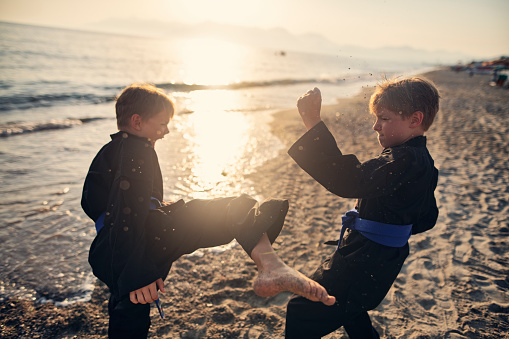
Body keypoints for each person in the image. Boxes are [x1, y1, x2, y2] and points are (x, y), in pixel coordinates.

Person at [81, 83, 335, 339]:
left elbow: (95, 204)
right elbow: (127, 211)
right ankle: (270, 264)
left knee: (128, 308)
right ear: (137, 122)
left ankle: (266, 256)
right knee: (232, 209)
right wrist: (137, 272)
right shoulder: (138, 150)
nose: (166, 131)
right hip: (142, 237)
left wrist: (150, 215)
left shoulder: (110, 151)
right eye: (161, 124)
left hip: (115, 246)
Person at [285, 77, 440, 338]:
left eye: (384, 118)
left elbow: (349, 180)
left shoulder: (404, 159)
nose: (375, 126)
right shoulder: (422, 161)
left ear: (414, 120)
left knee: (302, 309)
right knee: (352, 309)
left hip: (365, 258)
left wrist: (313, 122)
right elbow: (427, 218)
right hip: (381, 258)